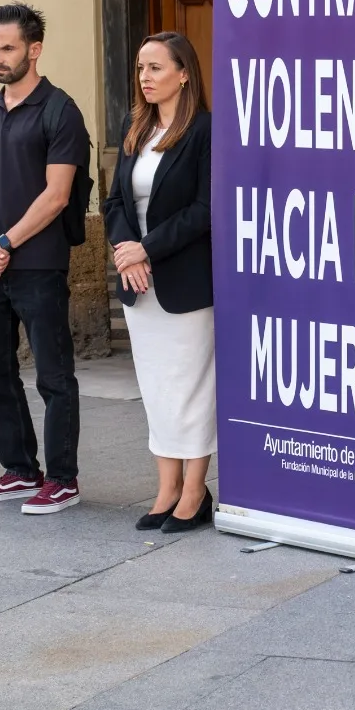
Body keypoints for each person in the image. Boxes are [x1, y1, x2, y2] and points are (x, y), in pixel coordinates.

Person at [0, 2, 92, 514]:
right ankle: (19, 469)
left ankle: (62, 479)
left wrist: (6, 244)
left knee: (53, 377)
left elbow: (57, 195)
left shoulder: (61, 111)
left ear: (34, 50)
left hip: (38, 264)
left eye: (8, 48)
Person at [103, 32, 217, 534]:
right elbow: (113, 205)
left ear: (184, 74)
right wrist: (127, 252)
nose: (145, 78)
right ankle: (166, 488)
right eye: (140, 68)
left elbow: (205, 210)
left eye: (155, 68)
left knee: (190, 387)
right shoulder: (135, 130)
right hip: (139, 283)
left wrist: (147, 248)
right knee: (155, 389)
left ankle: (195, 492)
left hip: (185, 282)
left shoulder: (205, 132)